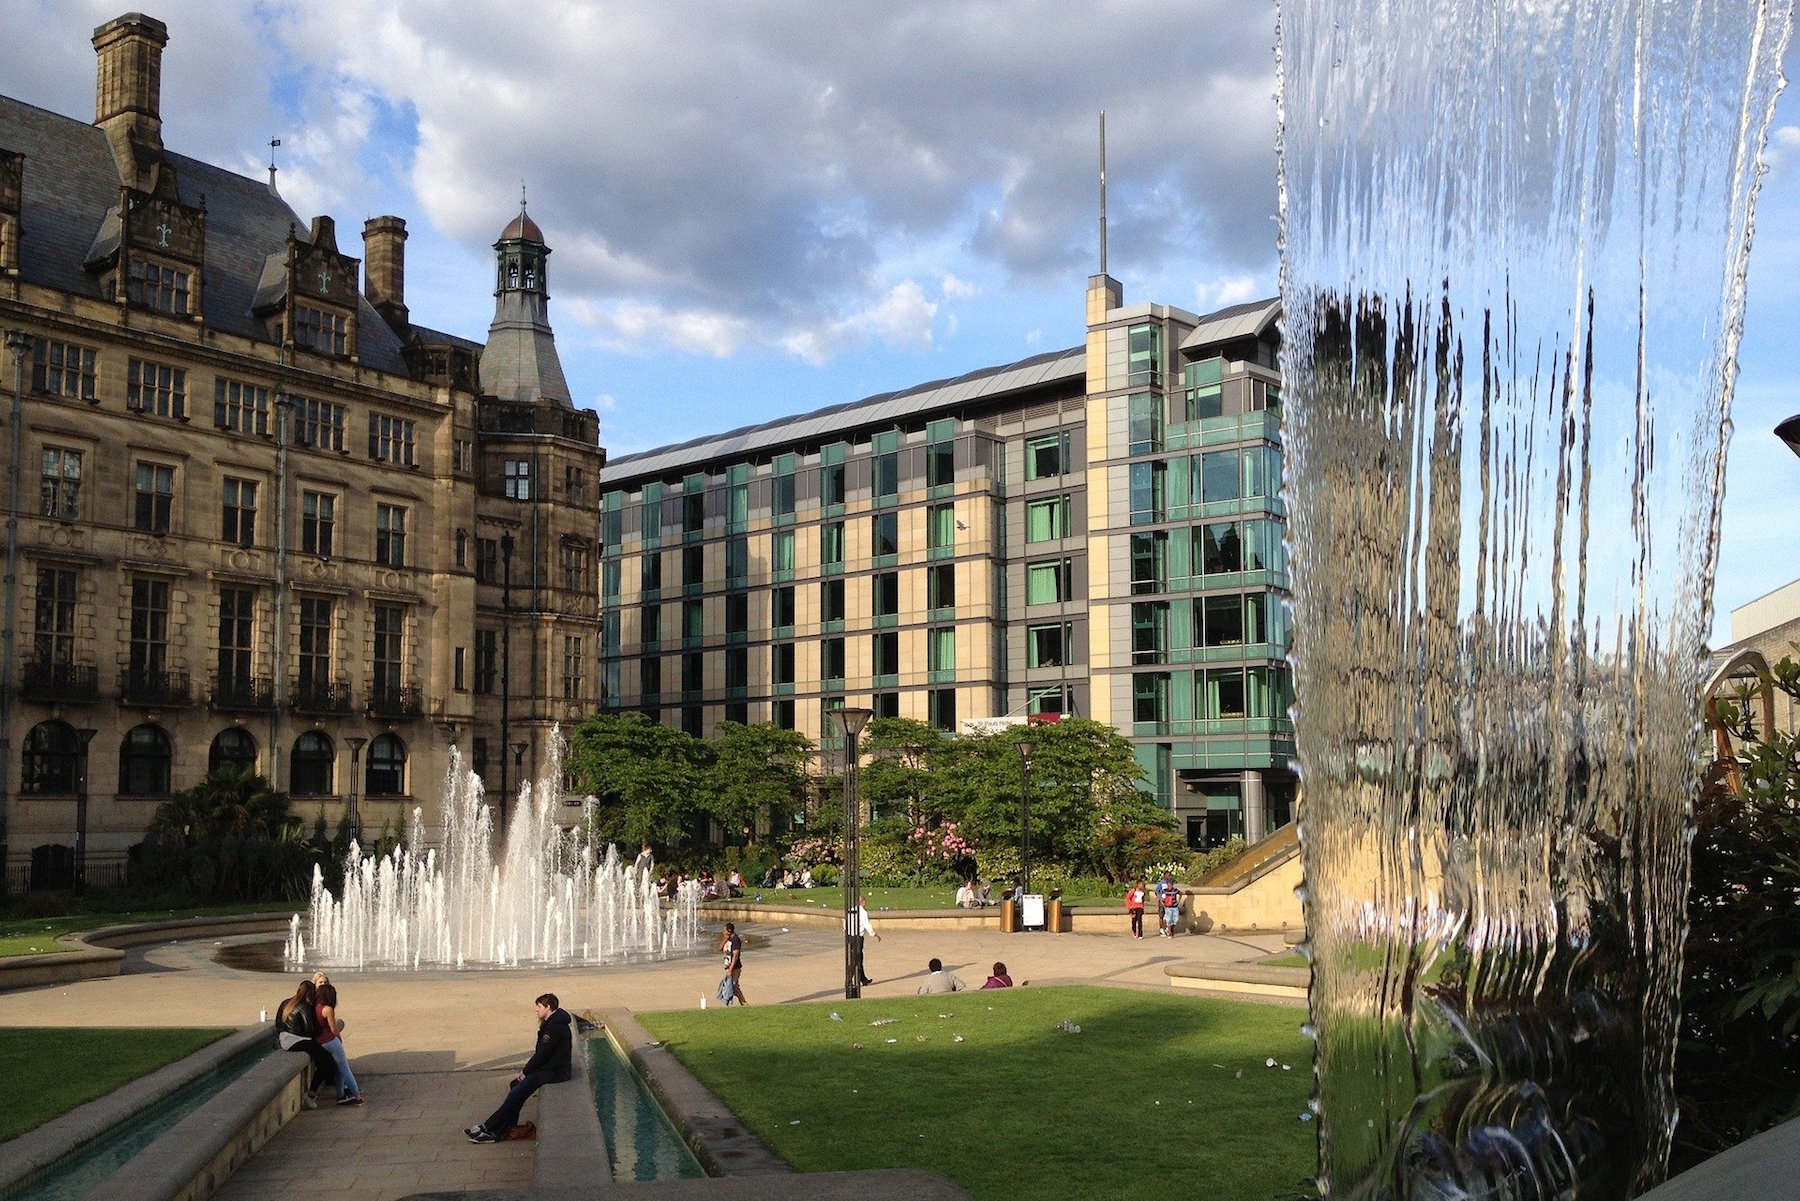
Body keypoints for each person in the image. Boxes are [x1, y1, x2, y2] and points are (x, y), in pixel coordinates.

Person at [466, 993, 573, 1143]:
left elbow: (541, 1055)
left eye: (539, 1007)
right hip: (548, 1068)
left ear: (548, 1007)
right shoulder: (552, 1022)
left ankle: (489, 1128)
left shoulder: (554, 1028)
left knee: (517, 1092)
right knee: (515, 1086)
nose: (536, 1010)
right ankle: (505, 1127)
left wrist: (525, 1072)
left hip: (554, 1072)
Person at [274, 978, 336, 1108]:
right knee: (327, 1061)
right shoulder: (304, 1006)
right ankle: (311, 1094)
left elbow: (277, 1023)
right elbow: (310, 1030)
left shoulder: (286, 1002)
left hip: (284, 1038)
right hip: (297, 1040)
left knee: (320, 1056)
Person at [313, 981, 363, 1105]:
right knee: (344, 1069)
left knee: (337, 1069)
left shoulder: (314, 1009)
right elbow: (334, 1029)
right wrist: (339, 1040)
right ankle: (357, 1096)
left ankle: (341, 1095)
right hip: (330, 1041)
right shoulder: (328, 1009)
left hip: (319, 1042)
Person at [847, 895, 880, 986]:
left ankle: (863, 978)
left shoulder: (850, 910)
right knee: (856, 959)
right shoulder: (863, 912)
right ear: (863, 902)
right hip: (858, 937)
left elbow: (845, 923)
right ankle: (849, 980)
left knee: (859, 957)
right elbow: (867, 924)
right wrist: (874, 934)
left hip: (850, 936)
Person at [720, 921, 746, 1005]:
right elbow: (719, 948)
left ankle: (742, 1002)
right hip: (728, 966)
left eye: (724, 930)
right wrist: (725, 939)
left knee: (733, 985)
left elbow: (735, 956)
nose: (723, 932)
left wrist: (731, 969)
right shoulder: (728, 939)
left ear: (729, 931)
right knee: (730, 985)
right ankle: (740, 1002)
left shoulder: (736, 940)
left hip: (735, 967)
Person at [1156, 872, 1181, 938]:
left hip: (1171, 903)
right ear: (1164, 876)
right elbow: (1157, 891)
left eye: (1170, 875)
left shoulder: (1171, 883)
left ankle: (1168, 929)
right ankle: (1161, 929)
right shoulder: (1161, 883)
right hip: (1163, 900)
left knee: (1170, 917)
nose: (1170, 877)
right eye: (1168, 875)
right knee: (1161, 915)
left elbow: (1177, 892)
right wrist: (1161, 899)